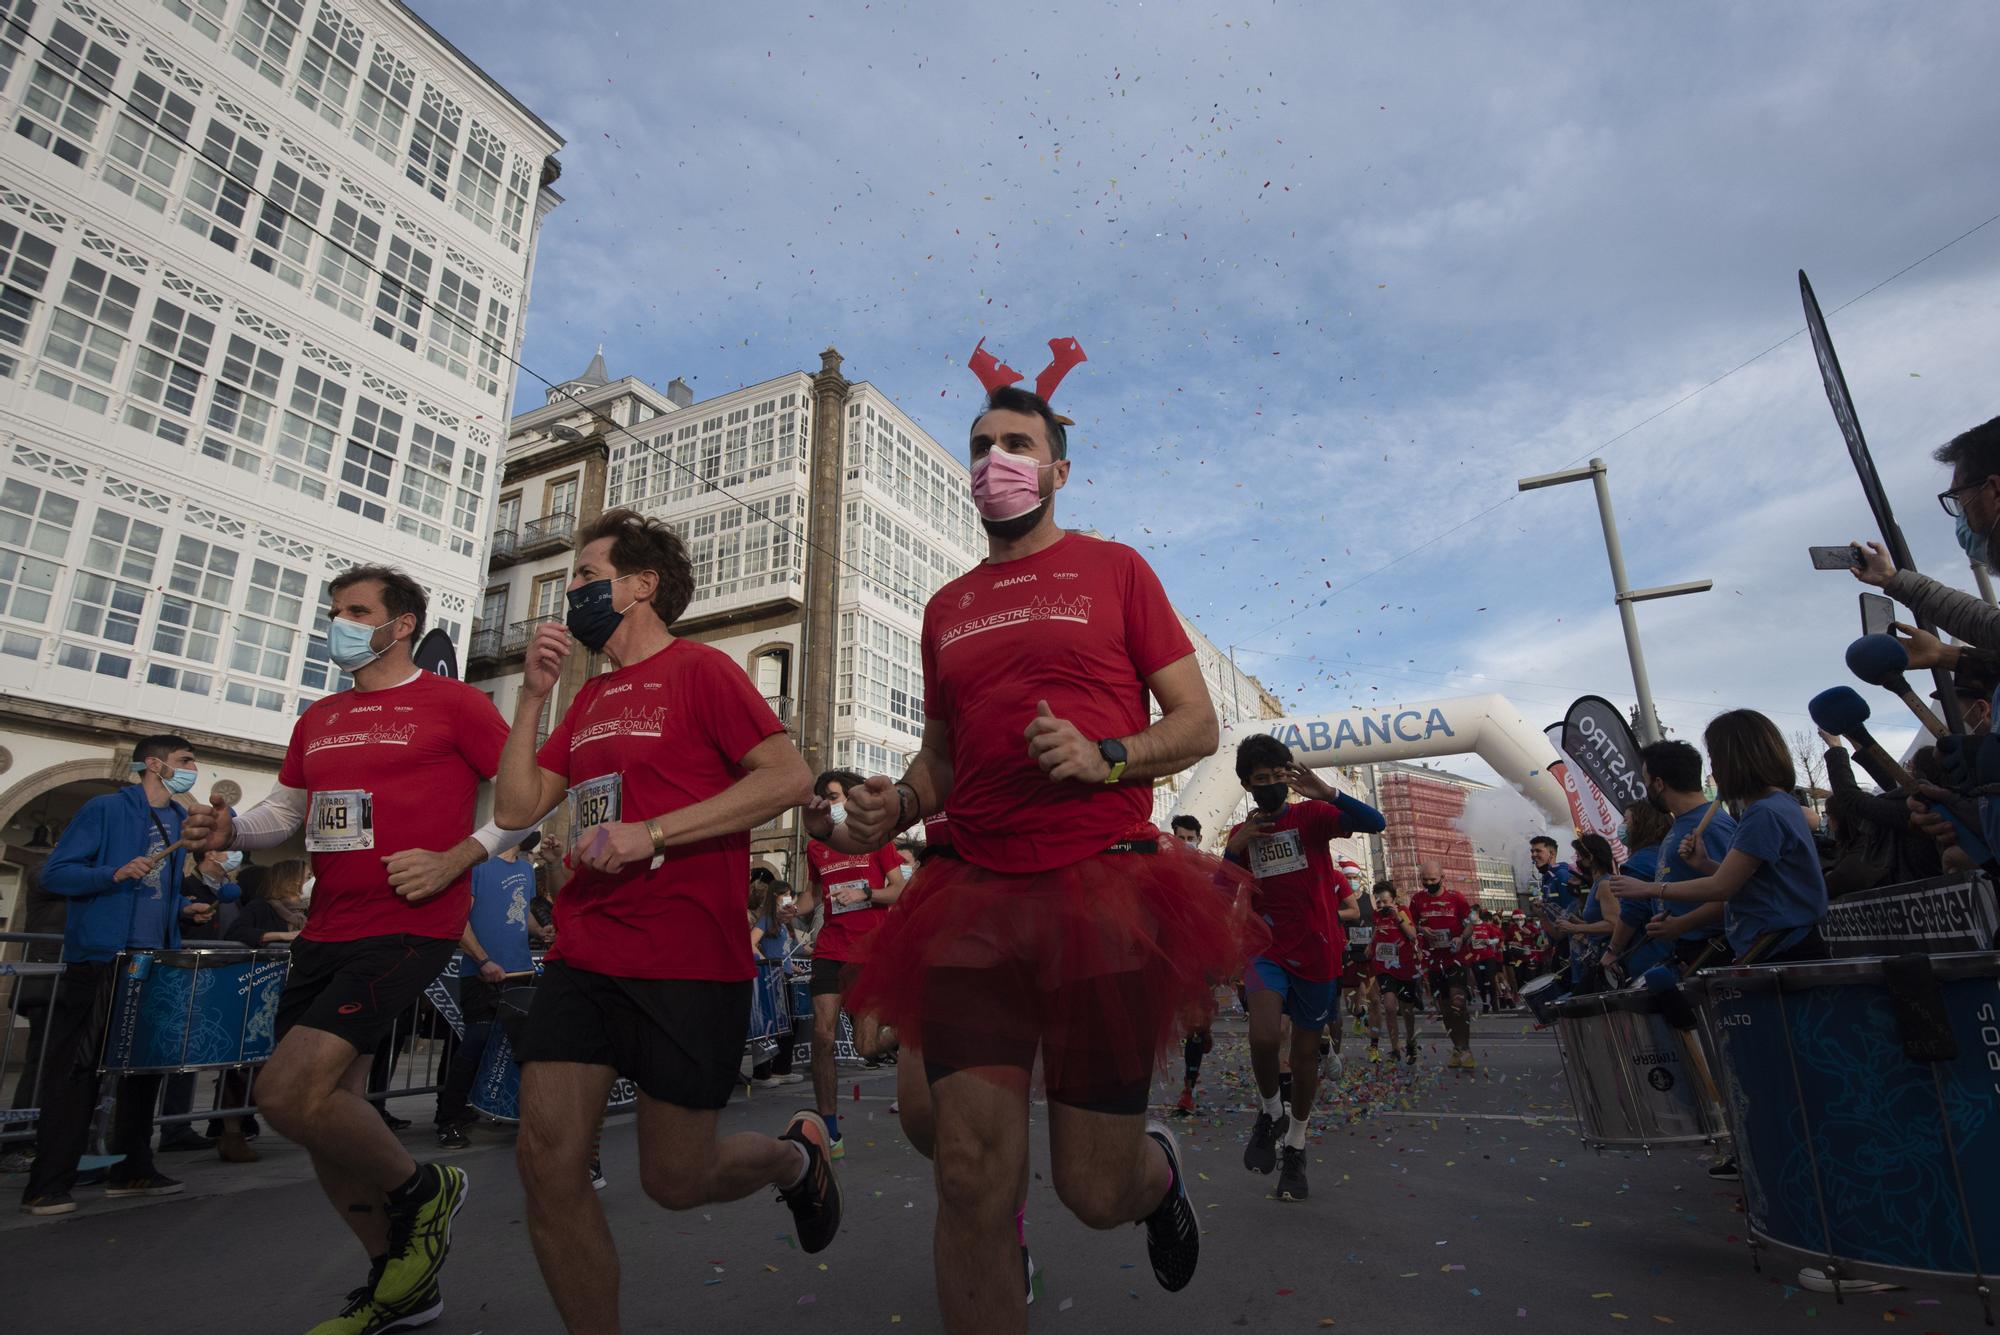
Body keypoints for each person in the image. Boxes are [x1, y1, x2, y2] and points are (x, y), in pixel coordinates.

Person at [830, 374, 1262, 1332]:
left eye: (1018, 445)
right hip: (972, 893)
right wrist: (892, 802)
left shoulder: (1118, 570)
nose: (997, 461)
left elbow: (1196, 724)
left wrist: (1107, 753)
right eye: (982, 444)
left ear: (1059, 468)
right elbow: (939, 759)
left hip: (1099, 888)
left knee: (1093, 1188)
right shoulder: (946, 607)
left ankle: (1156, 1179)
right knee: (970, 1168)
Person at [490, 508, 836, 1335]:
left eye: (584, 573)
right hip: (587, 951)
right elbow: (514, 806)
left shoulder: (703, 671)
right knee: (547, 1161)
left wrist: (652, 832)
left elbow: (789, 776)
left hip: (688, 960)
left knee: (675, 1179)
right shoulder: (590, 696)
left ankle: (797, 1157)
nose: (570, 589)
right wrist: (536, 699)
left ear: (641, 584)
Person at [181, 566, 528, 1334]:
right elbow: (287, 812)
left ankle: (424, 1188)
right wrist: (231, 831)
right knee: (323, 1109)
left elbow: (526, 800)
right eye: (335, 611)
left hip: (411, 923)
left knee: (283, 1093)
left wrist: (456, 858)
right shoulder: (322, 716)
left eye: (356, 611)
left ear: (400, 625)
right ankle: (397, 1281)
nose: (337, 622)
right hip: (327, 928)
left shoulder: (455, 704)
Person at [19, 736, 214, 1215]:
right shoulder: (104, 809)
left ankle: (132, 1170)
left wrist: (184, 907)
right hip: (103, 958)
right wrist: (111, 874)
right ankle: (49, 1183)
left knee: (142, 1070)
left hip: (153, 959)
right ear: (154, 764)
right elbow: (55, 874)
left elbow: (154, 893)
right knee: (77, 1071)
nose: (192, 769)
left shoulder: (175, 820)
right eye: (185, 761)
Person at [1225, 736, 1381, 1203]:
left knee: (1307, 1058)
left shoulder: (1311, 816)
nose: (1270, 787)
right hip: (1266, 949)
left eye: (1277, 778)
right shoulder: (1242, 833)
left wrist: (1328, 793)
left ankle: (1295, 1144)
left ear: (1287, 779)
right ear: (1247, 786)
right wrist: (1234, 852)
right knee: (1265, 1037)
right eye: (1260, 781)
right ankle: (1271, 1110)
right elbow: (1216, 891)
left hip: (1316, 951)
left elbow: (1376, 822)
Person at [1608, 710, 1830, 966]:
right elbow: (1756, 881)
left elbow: (1722, 888)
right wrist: (1705, 865)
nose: (1713, 768)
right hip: (1776, 947)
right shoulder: (1775, 805)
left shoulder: (1764, 813)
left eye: (1715, 757)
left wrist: (1647, 888)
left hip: (1784, 950)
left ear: (1735, 760)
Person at [794, 768, 907, 1157]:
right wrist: (794, 908)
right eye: (823, 796)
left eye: (836, 795)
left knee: (865, 1046)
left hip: (869, 952)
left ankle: (912, 1029)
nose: (829, 802)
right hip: (829, 949)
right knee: (823, 1038)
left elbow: (899, 890)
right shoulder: (816, 846)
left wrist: (864, 892)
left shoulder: (877, 840)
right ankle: (829, 1130)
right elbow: (813, 897)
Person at [434, 833, 540, 1149]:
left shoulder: (526, 870)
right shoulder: (478, 867)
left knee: (520, 1049)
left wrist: (540, 928)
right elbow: (458, 919)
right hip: (482, 974)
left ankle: (520, 1114)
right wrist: (483, 960)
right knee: (476, 1042)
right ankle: (448, 1119)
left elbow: (520, 910)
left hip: (520, 972)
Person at [1407, 862, 1477, 1069]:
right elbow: (1411, 924)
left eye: (1433, 880)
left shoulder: (1457, 898)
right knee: (1445, 1007)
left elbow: (1470, 924)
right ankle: (1457, 1048)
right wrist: (1422, 929)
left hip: (1456, 958)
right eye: (1425, 880)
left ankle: (1465, 1048)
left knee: (1458, 1003)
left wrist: (1460, 939)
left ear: (1442, 877)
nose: (1429, 884)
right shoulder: (1417, 899)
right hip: (1433, 961)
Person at [1549, 836, 1619, 992]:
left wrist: (1576, 929)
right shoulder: (1597, 884)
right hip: (1596, 958)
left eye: (1579, 856)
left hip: (1606, 959)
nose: (1577, 860)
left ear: (1591, 857)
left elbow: (1613, 924)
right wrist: (1577, 923)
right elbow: (1600, 921)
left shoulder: (1605, 884)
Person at [1367, 882, 1422, 1064]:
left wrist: (1396, 916)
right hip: (1384, 967)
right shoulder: (1376, 915)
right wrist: (1370, 945)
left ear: (1393, 900)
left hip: (1404, 967)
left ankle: (1411, 1042)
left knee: (1407, 1010)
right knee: (1390, 1007)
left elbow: (1412, 934)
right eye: (1378, 902)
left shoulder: (1403, 911)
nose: (1381, 906)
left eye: (1385, 902)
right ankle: (1395, 1048)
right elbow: (1377, 931)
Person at [1466, 908, 1504, 1011]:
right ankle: (1485, 1003)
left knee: (1491, 980)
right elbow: (1464, 943)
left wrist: (1490, 941)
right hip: (1476, 959)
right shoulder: (1468, 928)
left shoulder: (1487, 926)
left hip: (1488, 957)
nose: (1471, 915)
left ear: (1478, 914)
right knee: (1480, 981)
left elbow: (1497, 939)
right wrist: (1467, 940)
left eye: (1473, 913)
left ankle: (1494, 1002)